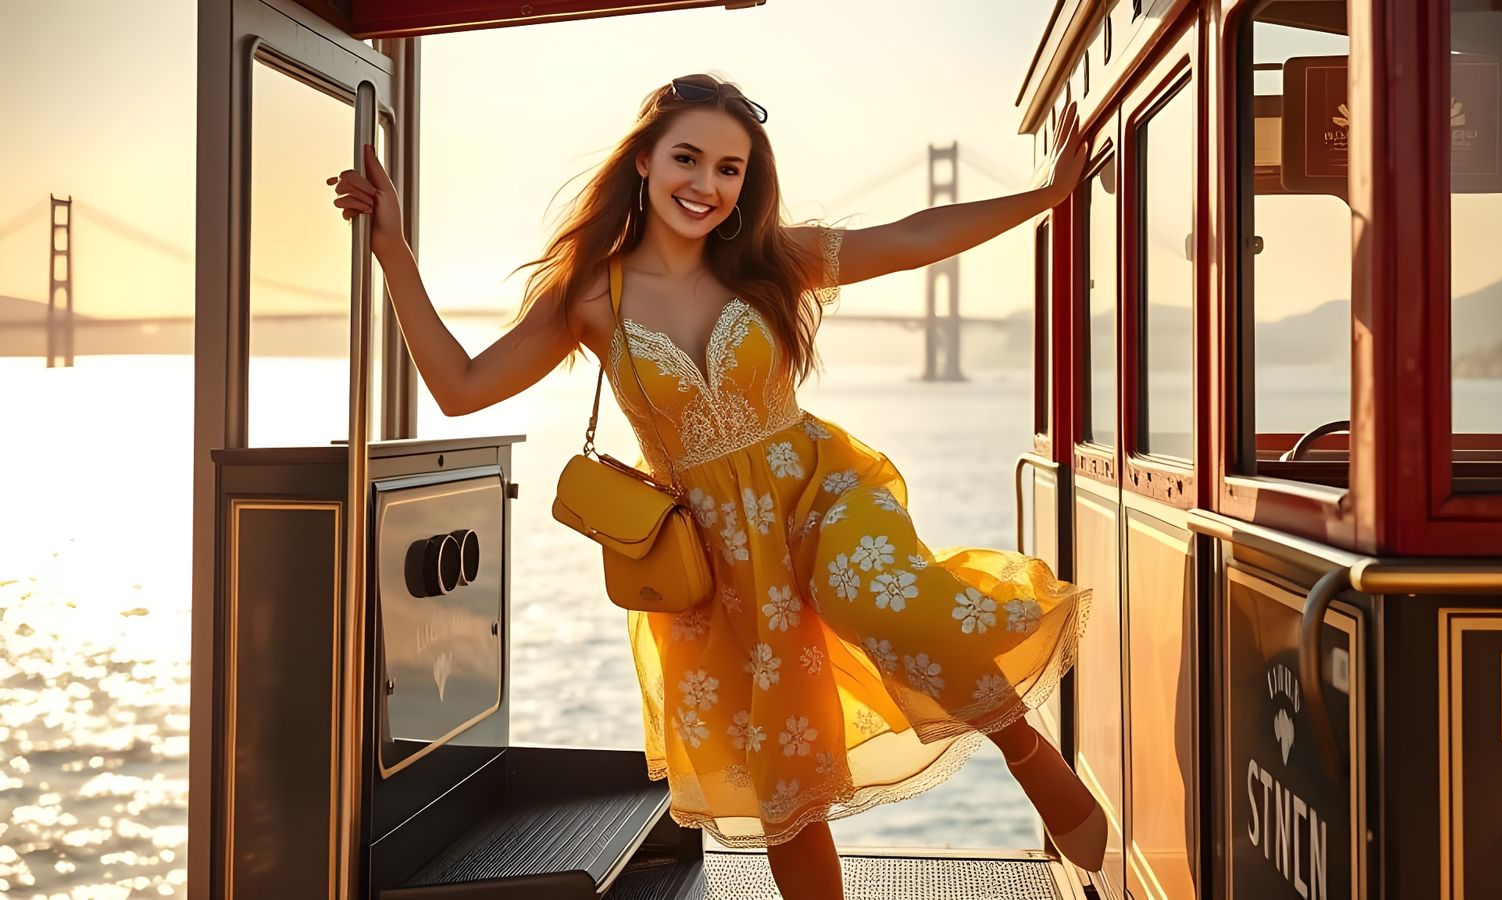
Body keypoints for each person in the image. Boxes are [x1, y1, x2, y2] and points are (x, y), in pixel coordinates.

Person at [328, 72, 1103, 899]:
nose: (705, 185)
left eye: (729, 170)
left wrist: (1046, 196)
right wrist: (394, 251)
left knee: (868, 589)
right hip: (715, 562)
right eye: (688, 159)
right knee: (787, 788)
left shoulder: (772, 259)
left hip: (815, 491)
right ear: (644, 162)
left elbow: (912, 234)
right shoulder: (594, 293)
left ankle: (1025, 749)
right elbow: (460, 385)